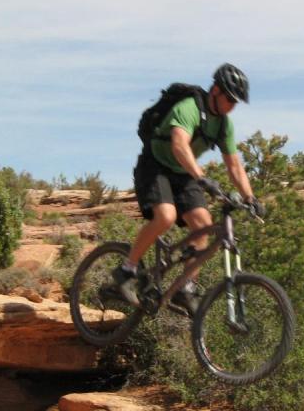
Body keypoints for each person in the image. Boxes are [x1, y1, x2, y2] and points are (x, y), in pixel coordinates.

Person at [112, 63, 263, 316]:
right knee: (166, 216)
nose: (232, 105)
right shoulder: (190, 108)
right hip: (155, 165)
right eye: (229, 98)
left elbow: (234, 165)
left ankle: (186, 287)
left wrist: (250, 197)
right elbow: (179, 144)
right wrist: (201, 177)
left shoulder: (225, 125)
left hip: (184, 174)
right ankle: (127, 270)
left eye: (236, 102)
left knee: (204, 225)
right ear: (215, 90)